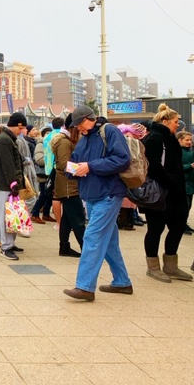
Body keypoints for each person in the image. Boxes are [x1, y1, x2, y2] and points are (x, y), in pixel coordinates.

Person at [63, 105, 133, 301]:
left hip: (108, 194)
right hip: (93, 195)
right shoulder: (85, 139)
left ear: (89, 118)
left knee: (92, 238)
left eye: (80, 124)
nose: (79, 129)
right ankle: (122, 281)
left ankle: (85, 287)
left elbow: (122, 160)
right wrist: (72, 169)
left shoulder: (109, 131)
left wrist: (90, 166)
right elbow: (74, 161)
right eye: (76, 126)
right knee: (109, 241)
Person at [142, 104, 192, 282]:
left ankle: (171, 265)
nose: (177, 125)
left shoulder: (170, 138)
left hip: (175, 192)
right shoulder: (154, 138)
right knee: (155, 229)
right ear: (164, 121)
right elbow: (153, 166)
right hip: (159, 192)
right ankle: (153, 267)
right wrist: (171, 182)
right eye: (175, 121)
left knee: (178, 226)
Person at [0, 112, 28, 260]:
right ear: (17, 125)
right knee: (6, 215)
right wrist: (13, 182)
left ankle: (10, 242)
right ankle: (6, 246)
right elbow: (7, 164)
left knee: (12, 214)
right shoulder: (5, 140)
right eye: (21, 128)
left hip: (9, 183)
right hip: (6, 184)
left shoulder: (7, 138)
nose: (21, 132)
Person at [50, 114, 85, 257]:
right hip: (68, 186)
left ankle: (64, 247)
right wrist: (84, 169)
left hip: (68, 185)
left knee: (67, 219)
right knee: (78, 219)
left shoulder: (66, 140)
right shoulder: (64, 142)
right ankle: (86, 248)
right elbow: (64, 165)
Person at [178, 131, 194, 234]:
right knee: (184, 206)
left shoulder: (191, 151)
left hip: (191, 183)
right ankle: (180, 225)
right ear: (179, 140)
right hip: (183, 183)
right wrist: (190, 166)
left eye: (190, 140)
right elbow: (177, 168)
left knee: (189, 206)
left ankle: (184, 223)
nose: (189, 142)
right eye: (187, 140)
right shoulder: (178, 152)